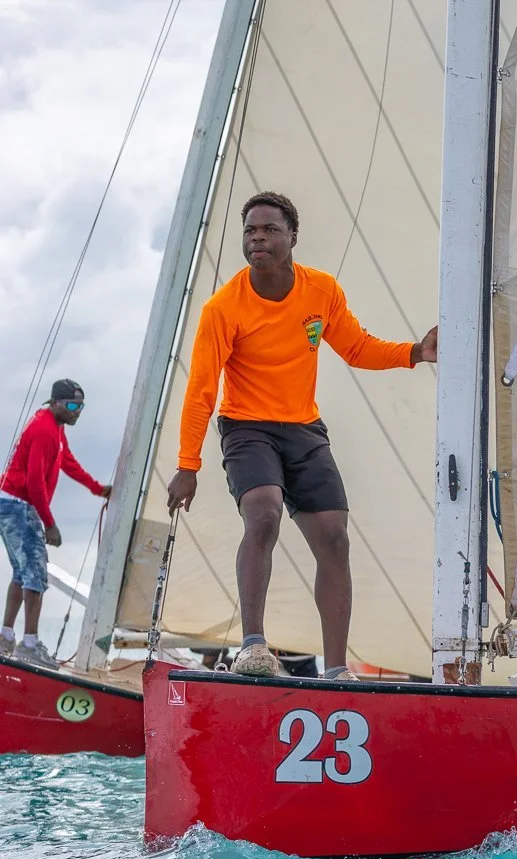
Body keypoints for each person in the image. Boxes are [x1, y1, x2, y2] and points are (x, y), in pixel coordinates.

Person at [166, 191, 436, 680]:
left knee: (334, 539)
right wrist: (188, 466)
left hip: (304, 429)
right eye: (250, 230)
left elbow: (356, 347)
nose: (258, 238)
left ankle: (335, 670)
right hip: (247, 427)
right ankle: (253, 647)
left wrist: (415, 352)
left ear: (292, 237)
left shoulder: (321, 291)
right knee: (264, 513)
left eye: (269, 230)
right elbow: (201, 390)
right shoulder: (222, 308)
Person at [0, 380, 111, 669]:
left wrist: (97, 488)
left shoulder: (55, 428)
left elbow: (67, 462)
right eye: (73, 406)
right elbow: (34, 483)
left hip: (12, 504)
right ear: (56, 403)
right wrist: (49, 524)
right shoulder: (44, 430)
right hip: (18, 506)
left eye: (81, 406)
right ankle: (30, 644)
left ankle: (6, 636)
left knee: (22, 573)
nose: (78, 412)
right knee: (36, 575)